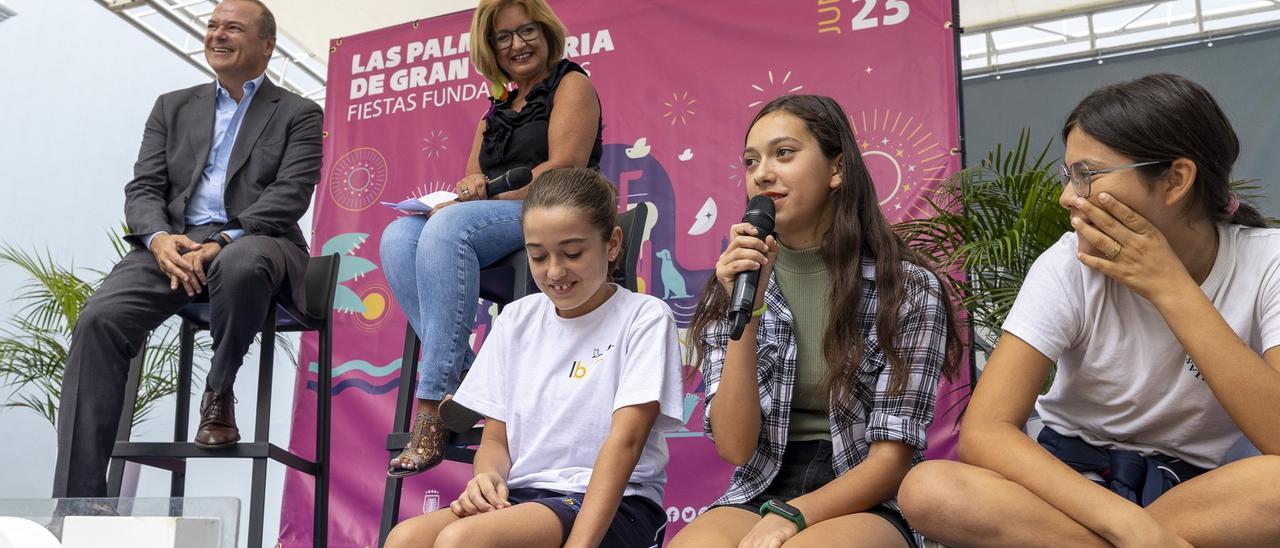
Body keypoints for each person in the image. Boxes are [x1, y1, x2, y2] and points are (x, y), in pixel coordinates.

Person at [898, 73, 1280, 547]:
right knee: (930, 488)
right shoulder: (1067, 263)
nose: (1066, 197)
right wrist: (1131, 527)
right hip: (1067, 482)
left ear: (1176, 180)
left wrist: (1170, 287)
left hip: (1192, 493)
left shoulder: (1268, 260)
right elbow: (985, 431)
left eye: (1087, 175)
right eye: (1069, 176)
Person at [52, 0, 322, 497]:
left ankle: (219, 390)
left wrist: (222, 239)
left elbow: (291, 195)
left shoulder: (299, 112)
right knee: (99, 320)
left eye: (233, 27)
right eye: (212, 25)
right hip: (172, 243)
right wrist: (158, 239)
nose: (217, 34)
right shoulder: (171, 106)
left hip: (256, 238)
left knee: (240, 262)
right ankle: (78, 500)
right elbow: (144, 188)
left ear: (267, 45)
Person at [668, 95, 962, 548]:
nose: (763, 173)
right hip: (763, 483)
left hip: (866, 492)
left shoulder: (906, 288)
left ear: (836, 169)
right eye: (751, 161)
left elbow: (891, 461)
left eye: (783, 153)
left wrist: (792, 517)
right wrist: (748, 309)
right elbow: (734, 446)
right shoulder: (732, 282)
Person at [383, 168, 682, 548]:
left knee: (461, 540)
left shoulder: (645, 317)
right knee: (404, 539)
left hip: (618, 504)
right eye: (538, 256)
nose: (555, 271)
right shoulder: (516, 319)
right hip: (523, 497)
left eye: (573, 253)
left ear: (612, 244)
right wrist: (488, 477)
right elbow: (496, 440)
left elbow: (627, 442)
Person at [381, 0, 603, 477]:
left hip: (553, 209)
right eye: (503, 37)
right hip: (500, 221)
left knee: (447, 227)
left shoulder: (571, 84)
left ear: (546, 32)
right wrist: (460, 196)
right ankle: (473, 377)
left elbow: (565, 167)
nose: (517, 44)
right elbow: (471, 182)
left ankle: (431, 407)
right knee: (399, 235)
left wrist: (486, 194)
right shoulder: (495, 112)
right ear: (491, 49)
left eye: (526, 31)